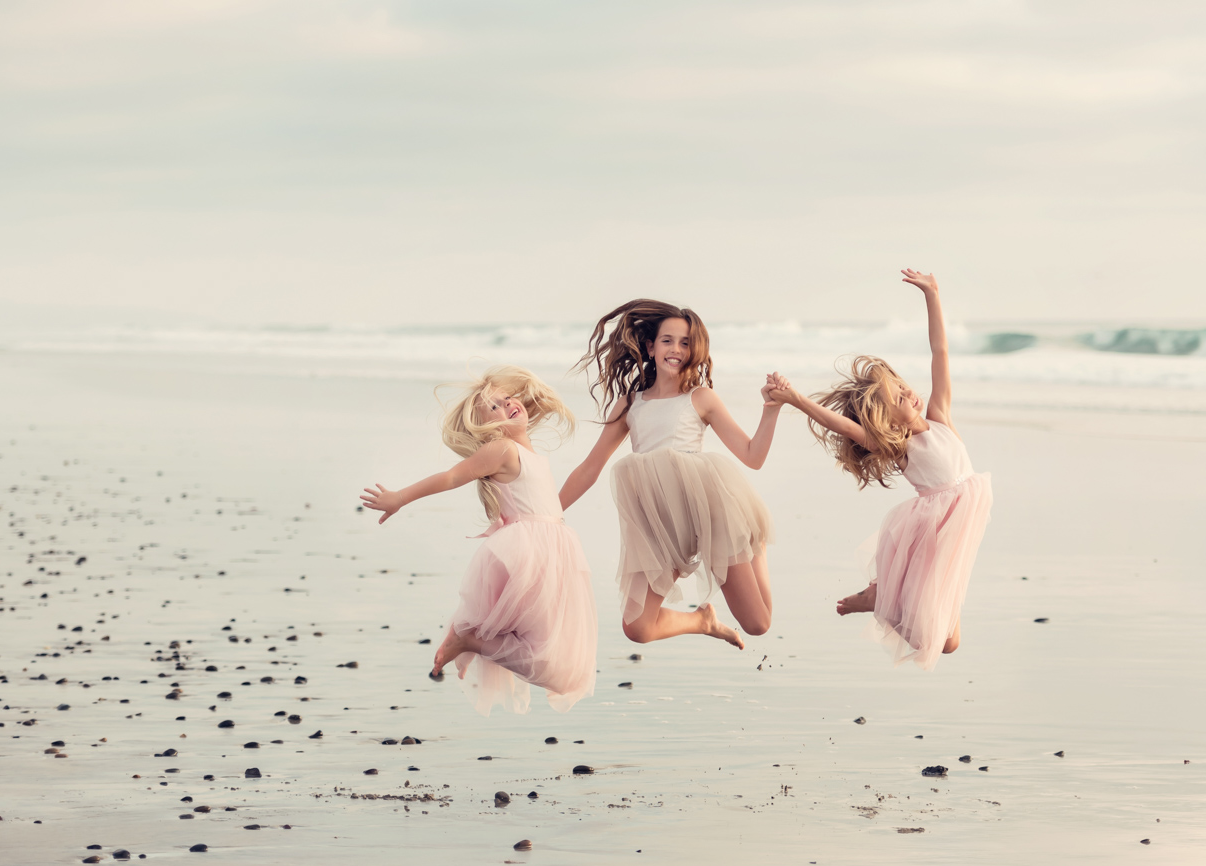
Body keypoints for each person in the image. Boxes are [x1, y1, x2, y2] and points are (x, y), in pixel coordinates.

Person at [768, 270, 992, 669]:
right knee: (941, 643)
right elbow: (844, 426)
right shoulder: (897, 446)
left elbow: (940, 354)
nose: (909, 392)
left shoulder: (940, 416)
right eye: (898, 398)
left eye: (903, 386)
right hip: (932, 531)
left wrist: (932, 294)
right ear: (887, 420)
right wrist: (796, 399)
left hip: (960, 526)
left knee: (951, 642)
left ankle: (883, 597)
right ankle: (880, 601)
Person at [360, 366, 597, 714]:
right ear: (488, 429)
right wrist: (400, 497)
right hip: (530, 554)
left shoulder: (528, 452)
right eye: (494, 409)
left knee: (563, 667)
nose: (507, 406)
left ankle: (468, 641)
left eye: (507, 399)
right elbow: (452, 476)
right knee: (558, 669)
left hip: (554, 554)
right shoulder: (502, 450)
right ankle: (470, 640)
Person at [561, 300, 780, 648]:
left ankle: (754, 543)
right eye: (668, 340)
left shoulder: (701, 398)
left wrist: (771, 409)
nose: (676, 349)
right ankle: (701, 620)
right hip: (661, 526)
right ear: (650, 346)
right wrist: (547, 513)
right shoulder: (630, 404)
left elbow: (752, 457)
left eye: (685, 342)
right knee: (637, 627)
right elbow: (590, 467)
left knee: (757, 624)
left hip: (713, 513)